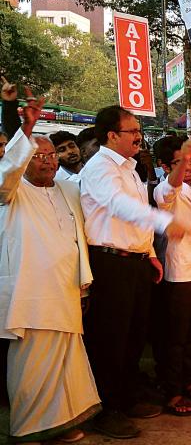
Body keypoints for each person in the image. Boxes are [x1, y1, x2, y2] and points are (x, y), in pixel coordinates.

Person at [0, 90, 101, 444]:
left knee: (65, 363)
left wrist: (84, 283)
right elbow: (6, 174)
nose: (47, 161)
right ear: (25, 159)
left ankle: (60, 422)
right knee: (32, 363)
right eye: (37, 156)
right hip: (30, 296)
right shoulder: (12, 192)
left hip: (65, 290)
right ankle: (28, 427)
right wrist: (24, 130)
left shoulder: (66, 189)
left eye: (50, 155)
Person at [80, 105, 186, 439]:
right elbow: (119, 206)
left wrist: (150, 253)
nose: (139, 136)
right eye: (132, 131)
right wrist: (164, 223)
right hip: (110, 263)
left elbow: (136, 213)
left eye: (139, 129)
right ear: (112, 135)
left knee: (133, 337)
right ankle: (104, 409)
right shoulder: (100, 167)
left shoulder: (131, 168)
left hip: (135, 261)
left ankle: (125, 398)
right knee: (109, 339)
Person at [153, 135, 191, 416]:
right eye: (180, 162)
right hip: (180, 273)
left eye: (190, 161)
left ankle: (189, 380)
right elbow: (171, 188)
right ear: (165, 166)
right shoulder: (164, 189)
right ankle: (172, 390)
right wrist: (186, 157)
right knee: (175, 337)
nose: (188, 166)